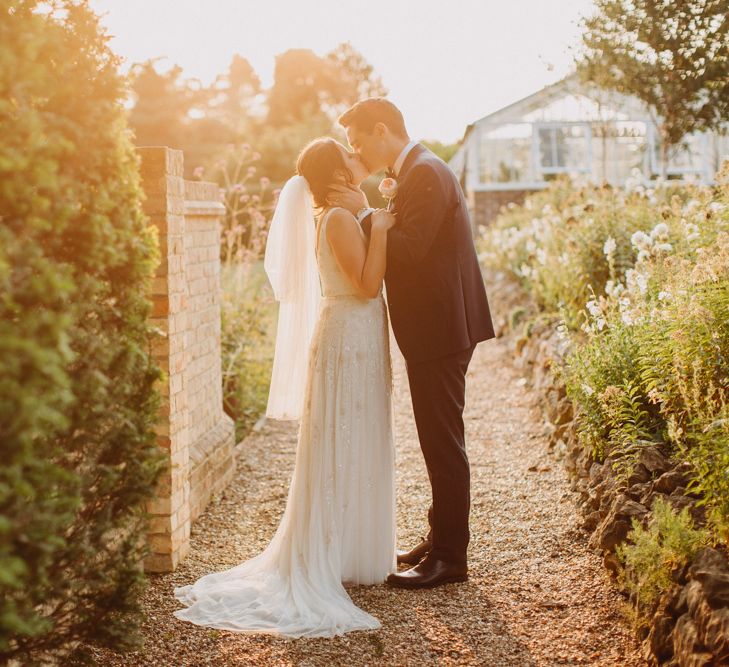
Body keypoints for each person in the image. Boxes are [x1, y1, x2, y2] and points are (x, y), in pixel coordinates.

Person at [173, 138, 398, 638]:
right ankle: (328, 551)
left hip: (357, 333)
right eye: (348, 157)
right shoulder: (337, 219)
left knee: (357, 437)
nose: (356, 160)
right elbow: (365, 285)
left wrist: (373, 214)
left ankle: (353, 551)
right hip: (348, 336)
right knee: (340, 440)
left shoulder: (342, 211)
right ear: (336, 174)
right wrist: (380, 227)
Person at [329, 98, 495, 589]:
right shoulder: (419, 170)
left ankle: (450, 558)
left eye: (358, 140)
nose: (355, 151)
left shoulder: (424, 172)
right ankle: (438, 537)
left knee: (442, 444)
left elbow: (407, 252)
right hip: (439, 326)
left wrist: (364, 214)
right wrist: (379, 212)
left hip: (441, 329)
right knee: (437, 439)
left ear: (382, 130)